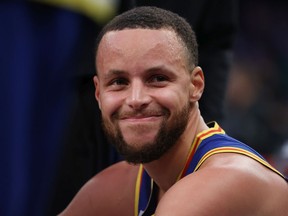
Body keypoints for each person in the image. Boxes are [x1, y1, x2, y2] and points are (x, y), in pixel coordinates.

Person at [60, 6, 288, 216]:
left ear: (195, 85)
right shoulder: (129, 182)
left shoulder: (226, 179)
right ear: (98, 94)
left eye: (158, 79)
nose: (136, 99)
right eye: (119, 82)